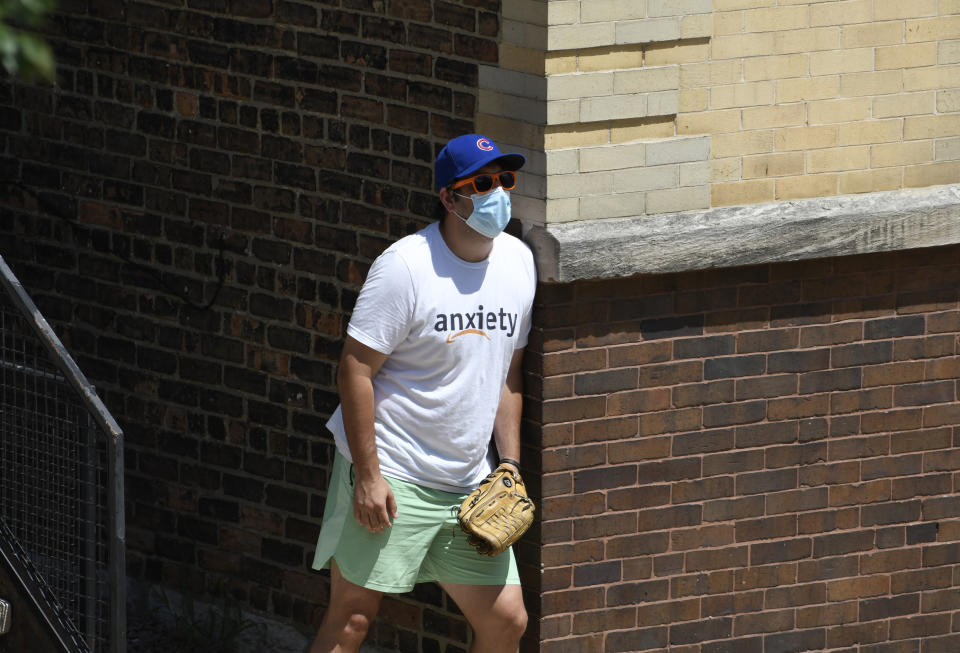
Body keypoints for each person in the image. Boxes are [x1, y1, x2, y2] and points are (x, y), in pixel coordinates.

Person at [309, 134, 537, 653]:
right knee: (352, 621)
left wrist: (510, 465)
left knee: (507, 621)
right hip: (395, 475)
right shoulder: (406, 267)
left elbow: (508, 374)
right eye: (481, 184)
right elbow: (354, 370)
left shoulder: (519, 264)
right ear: (449, 198)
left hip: (469, 485)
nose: (497, 192)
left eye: (504, 180)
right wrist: (368, 475)